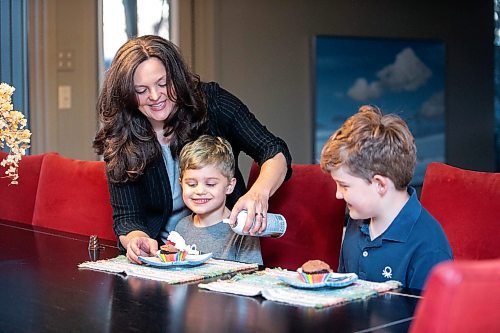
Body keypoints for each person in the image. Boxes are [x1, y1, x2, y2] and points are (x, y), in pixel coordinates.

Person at [93, 35, 291, 264]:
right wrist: (137, 239)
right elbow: (127, 218)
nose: (155, 96)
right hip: (164, 260)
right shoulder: (121, 136)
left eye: (163, 83)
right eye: (141, 90)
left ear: (177, 77)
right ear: (127, 94)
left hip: (224, 251)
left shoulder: (213, 103)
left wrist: (259, 193)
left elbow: (273, 149)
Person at [320, 105, 452, 290]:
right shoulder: (357, 221)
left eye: (344, 185)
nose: (338, 194)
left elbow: (428, 318)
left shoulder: (429, 247)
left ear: (380, 184)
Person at [175, 135, 263, 264]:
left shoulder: (242, 230)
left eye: (210, 184)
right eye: (192, 184)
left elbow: (252, 277)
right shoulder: (181, 227)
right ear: (181, 184)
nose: (200, 191)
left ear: (229, 186)